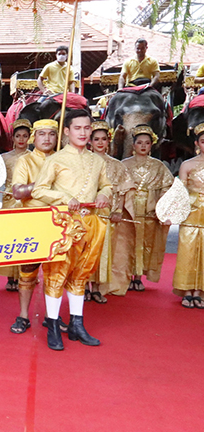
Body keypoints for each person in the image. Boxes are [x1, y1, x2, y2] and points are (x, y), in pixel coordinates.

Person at [31, 111, 112, 351]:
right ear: (67, 131)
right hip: (63, 225)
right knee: (57, 275)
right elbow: (38, 190)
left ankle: (77, 324)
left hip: (90, 223)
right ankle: (53, 325)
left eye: (87, 128)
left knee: (81, 275)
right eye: (78, 128)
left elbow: (106, 184)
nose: (84, 133)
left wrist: (103, 194)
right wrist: (65, 198)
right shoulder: (55, 160)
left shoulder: (98, 160)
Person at [9, 119, 58, 334]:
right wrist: (43, 186)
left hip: (58, 221)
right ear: (33, 138)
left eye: (51, 134)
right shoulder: (25, 161)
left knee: (56, 272)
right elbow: (18, 191)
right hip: (32, 220)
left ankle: (52, 316)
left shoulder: (63, 161)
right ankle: (23, 315)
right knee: (28, 271)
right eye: (42, 134)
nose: (47, 138)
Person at [121, 125, 173, 292]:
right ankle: (127, 275)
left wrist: (160, 205)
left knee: (146, 243)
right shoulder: (124, 164)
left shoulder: (159, 166)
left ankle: (138, 276)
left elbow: (168, 186)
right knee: (128, 243)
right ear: (133, 145)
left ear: (152, 145)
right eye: (139, 142)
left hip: (150, 210)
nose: (143, 146)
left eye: (147, 143)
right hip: (129, 209)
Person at [86, 122, 135, 299]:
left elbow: (123, 190)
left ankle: (99, 287)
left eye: (104, 139)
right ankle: (83, 285)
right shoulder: (84, 162)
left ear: (109, 141)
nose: (100, 142)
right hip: (87, 215)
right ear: (89, 141)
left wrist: (119, 211)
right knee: (86, 249)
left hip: (108, 216)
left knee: (104, 250)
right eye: (96, 139)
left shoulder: (117, 165)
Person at [0, 119, 31, 292]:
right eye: (18, 136)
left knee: (26, 238)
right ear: (13, 138)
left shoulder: (34, 158)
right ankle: (10, 276)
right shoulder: (4, 158)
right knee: (10, 239)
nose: (21, 139)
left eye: (25, 136)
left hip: (27, 202)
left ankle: (26, 274)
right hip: (8, 201)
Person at [173, 123, 204, 307]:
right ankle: (187, 290)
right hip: (191, 212)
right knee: (188, 251)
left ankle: (200, 291)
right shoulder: (187, 165)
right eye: (203, 141)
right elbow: (179, 192)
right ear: (197, 143)